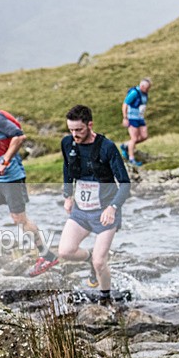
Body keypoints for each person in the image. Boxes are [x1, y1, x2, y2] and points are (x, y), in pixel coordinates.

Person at [0, 95, 59, 278]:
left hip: (12, 178)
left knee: (19, 219)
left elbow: (19, 137)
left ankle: (48, 255)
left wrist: (5, 161)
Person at [58, 105, 131, 304]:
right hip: (81, 211)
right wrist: (68, 195)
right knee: (65, 251)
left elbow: (125, 184)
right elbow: (67, 169)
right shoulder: (67, 144)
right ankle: (88, 258)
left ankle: (105, 297)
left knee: (100, 261)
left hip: (105, 212)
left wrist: (113, 207)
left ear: (90, 125)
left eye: (79, 130)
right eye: (71, 130)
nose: (74, 134)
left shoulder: (107, 147)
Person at [120, 78, 151, 167]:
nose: (148, 90)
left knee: (144, 136)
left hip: (140, 118)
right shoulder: (134, 93)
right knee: (134, 138)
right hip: (132, 117)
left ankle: (125, 145)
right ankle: (131, 159)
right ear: (142, 86)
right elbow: (125, 104)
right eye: (147, 88)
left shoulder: (145, 94)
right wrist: (125, 118)